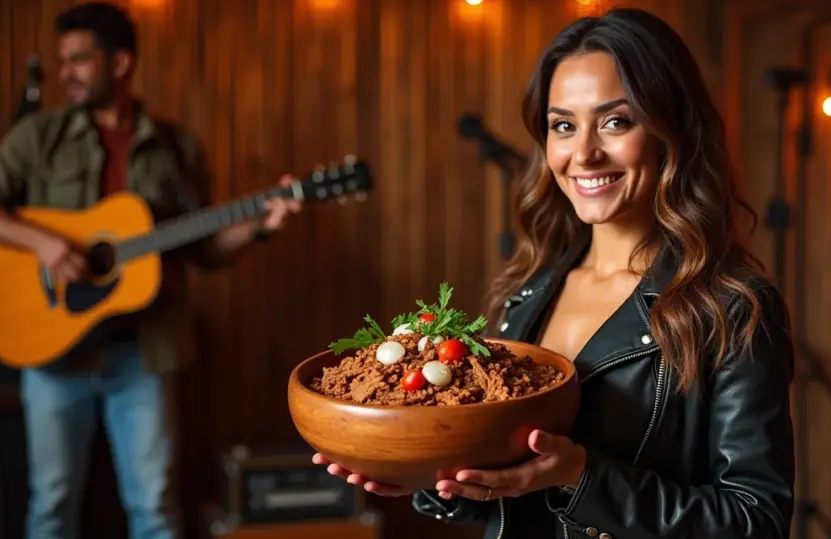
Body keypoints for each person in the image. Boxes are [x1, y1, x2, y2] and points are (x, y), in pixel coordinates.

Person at [314, 7, 795, 539]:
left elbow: (758, 522)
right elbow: (516, 498)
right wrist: (427, 476)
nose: (584, 154)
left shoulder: (731, 307)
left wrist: (582, 476)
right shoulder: (530, 289)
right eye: (563, 125)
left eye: (616, 121)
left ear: (670, 128)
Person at [0, 3, 300, 539]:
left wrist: (259, 225)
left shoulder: (176, 149)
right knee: (51, 507)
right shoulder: (39, 139)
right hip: (52, 352)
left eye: (79, 60)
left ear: (120, 63)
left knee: (156, 510)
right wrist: (41, 242)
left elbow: (203, 250)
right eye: (64, 60)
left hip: (144, 351)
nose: (65, 72)